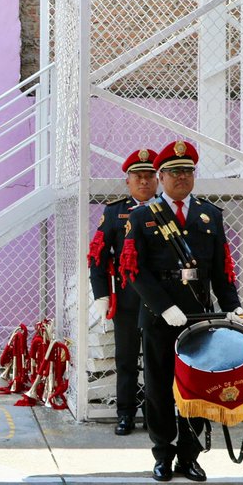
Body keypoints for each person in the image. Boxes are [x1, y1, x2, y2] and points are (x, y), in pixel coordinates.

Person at [120, 140, 243, 482]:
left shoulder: (210, 215)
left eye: (187, 171)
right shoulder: (143, 216)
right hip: (161, 315)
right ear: (161, 176)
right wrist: (163, 306)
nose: (181, 177)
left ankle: (189, 456)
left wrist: (232, 306)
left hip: (199, 315)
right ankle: (162, 453)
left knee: (197, 386)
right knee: (159, 387)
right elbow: (133, 269)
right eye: (174, 171)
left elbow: (221, 269)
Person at [89, 148, 158, 435]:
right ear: (128, 181)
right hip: (128, 298)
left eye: (148, 176)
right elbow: (97, 256)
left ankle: (156, 415)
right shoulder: (114, 211)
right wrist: (101, 295)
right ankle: (126, 413)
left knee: (158, 360)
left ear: (158, 180)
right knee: (127, 358)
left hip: (161, 299)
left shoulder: (166, 210)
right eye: (137, 177)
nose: (143, 182)